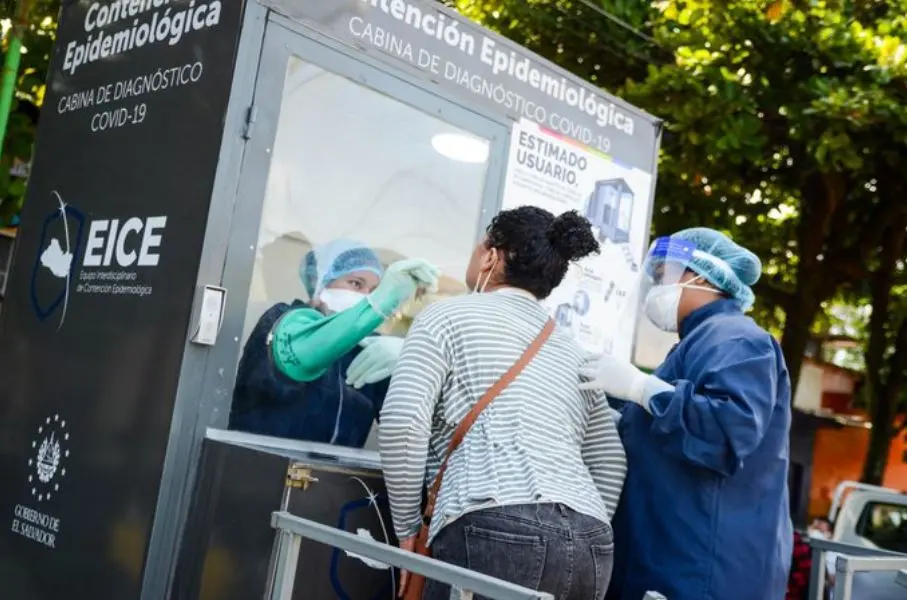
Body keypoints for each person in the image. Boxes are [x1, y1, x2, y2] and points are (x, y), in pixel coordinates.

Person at [379, 207, 627, 600]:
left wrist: (407, 528)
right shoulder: (574, 351)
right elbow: (610, 461)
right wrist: (572, 528)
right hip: (591, 542)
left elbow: (402, 423)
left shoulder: (445, 317)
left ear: (492, 256)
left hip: (493, 523)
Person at [580, 227, 793, 600]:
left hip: (701, 575)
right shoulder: (699, 343)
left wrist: (640, 389)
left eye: (665, 275)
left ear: (702, 276)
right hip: (670, 566)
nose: (657, 287)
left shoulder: (739, 338)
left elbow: (728, 429)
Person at [229, 239, 440, 447]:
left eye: (375, 290)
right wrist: (381, 300)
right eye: (356, 284)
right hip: (257, 466)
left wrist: (414, 357)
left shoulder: (371, 348)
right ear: (320, 281)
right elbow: (306, 352)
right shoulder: (282, 320)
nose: (366, 297)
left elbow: (412, 424)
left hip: (334, 477)